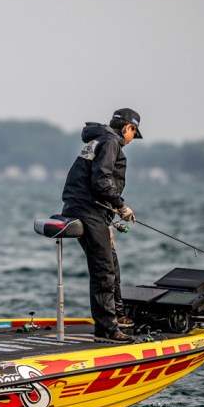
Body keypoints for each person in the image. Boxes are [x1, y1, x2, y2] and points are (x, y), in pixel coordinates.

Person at [60, 108, 143, 343]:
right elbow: (101, 181)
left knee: (111, 263)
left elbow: (92, 182)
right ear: (127, 127)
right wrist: (121, 206)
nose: (132, 139)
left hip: (86, 209)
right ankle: (107, 331)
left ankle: (119, 317)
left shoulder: (100, 139)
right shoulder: (111, 142)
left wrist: (107, 219)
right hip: (88, 210)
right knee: (103, 271)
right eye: (133, 133)